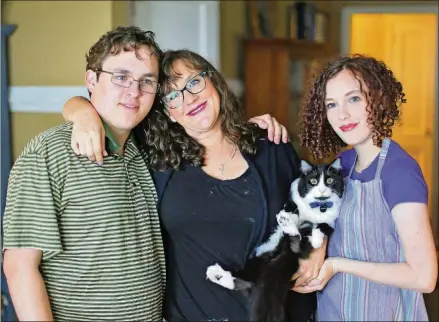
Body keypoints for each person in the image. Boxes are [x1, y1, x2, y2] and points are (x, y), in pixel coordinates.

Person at [62, 49, 327, 321]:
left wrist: (318, 245)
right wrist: (82, 113)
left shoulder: (270, 145)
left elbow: (318, 203)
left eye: (194, 82)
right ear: (169, 113)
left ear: (214, 82)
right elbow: (92, 106)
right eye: (173, 95)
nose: (189, 98)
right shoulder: (157, 161)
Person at [2, 26, 167, 320]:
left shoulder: (140, 149)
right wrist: (80, 111)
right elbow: (19, 266)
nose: (134, 91)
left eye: (147, 81)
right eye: (121, 77)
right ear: (91, 79)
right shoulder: (47, 154)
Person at [295, 54, 437, 321]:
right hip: (333, 311)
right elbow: (321, 219)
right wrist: (317, 252)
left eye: (354, 99)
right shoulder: (343, 165)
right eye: (331, 104)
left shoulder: (399, 171)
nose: (342, 114)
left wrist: (337, 265)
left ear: (379, 98)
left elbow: (424, 277)